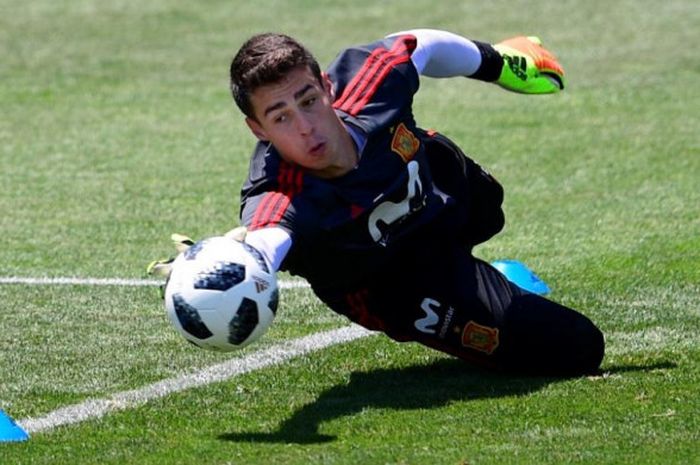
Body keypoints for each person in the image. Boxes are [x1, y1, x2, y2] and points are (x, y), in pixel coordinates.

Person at [157, 29, 604, 376]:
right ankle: (488, 287)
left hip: (438, 195)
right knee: (578, 347)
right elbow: (270, 237)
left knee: (489, 206)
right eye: (281, 117)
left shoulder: (368, 84)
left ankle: (482, 274)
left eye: (308, 101)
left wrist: (502, 63)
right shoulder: (279, 193)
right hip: (395, 284)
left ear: (327, 87)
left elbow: (420, 44)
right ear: (258, 130)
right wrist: (234, 262)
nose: (307, 127)